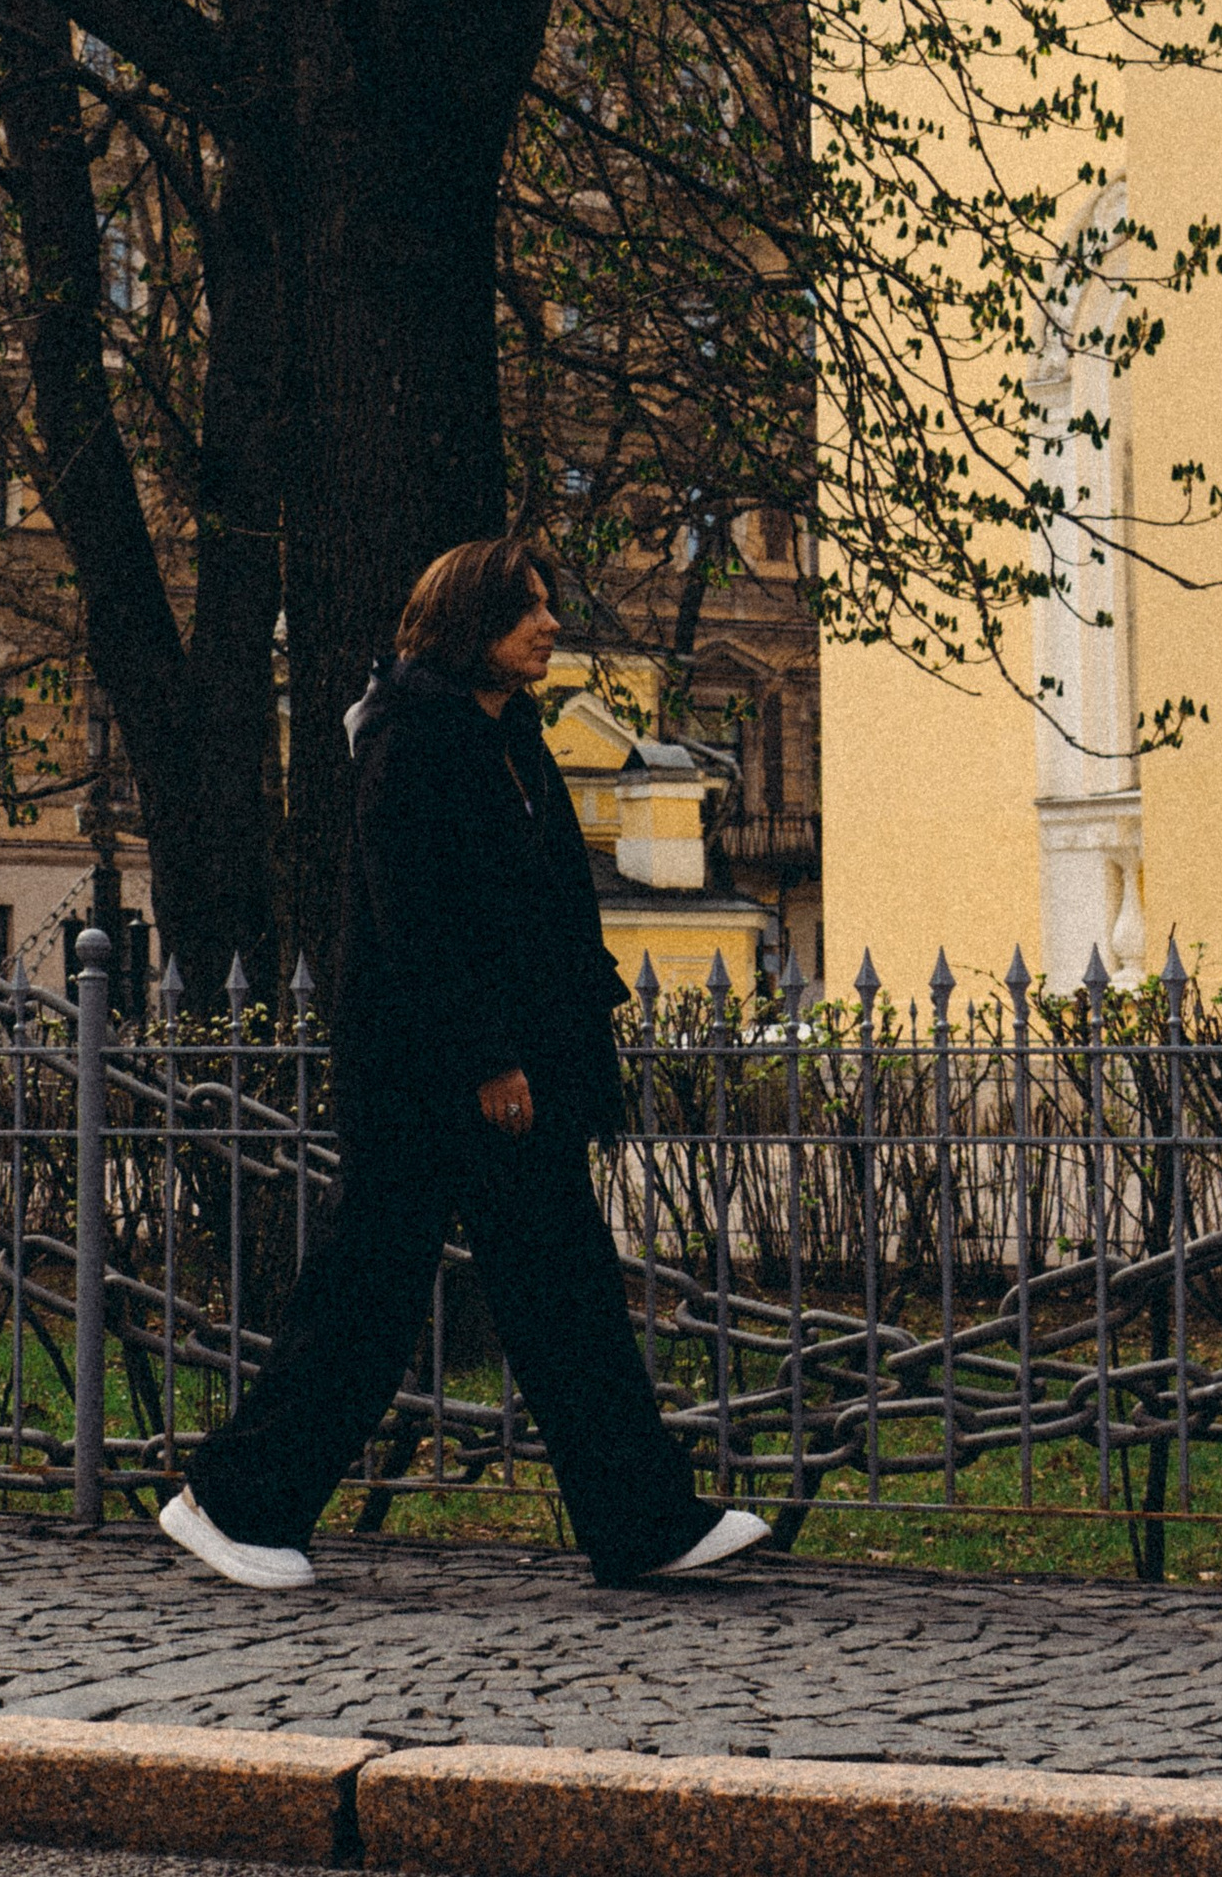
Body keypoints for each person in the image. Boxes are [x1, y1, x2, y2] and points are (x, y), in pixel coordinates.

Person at [160, 532, 770, 1593]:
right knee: (373, 1296)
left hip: (507, 1072)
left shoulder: (508, 735)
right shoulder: (412, 740)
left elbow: (538, 909)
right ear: (468, 623)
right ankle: (231, 1501)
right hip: (432, 1080)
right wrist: (488, 1059)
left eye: (547, 606)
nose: (548, 625)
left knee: (562, 1293)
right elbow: (422, 926)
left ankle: (640, 1522)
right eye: (526, 609)